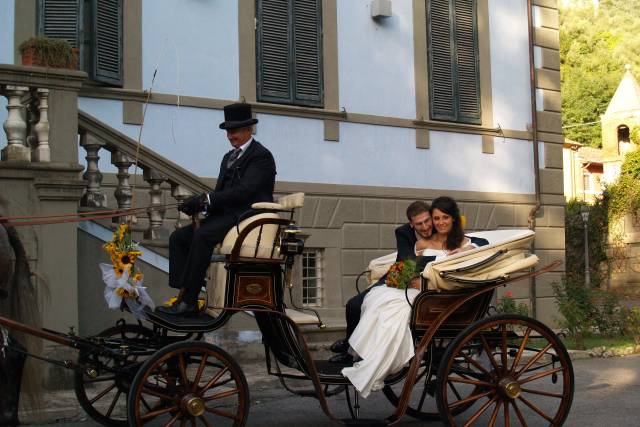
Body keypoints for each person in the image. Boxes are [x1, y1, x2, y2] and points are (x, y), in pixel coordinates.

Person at [341, 196, 488, 397]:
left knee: (393, 311)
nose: (431, 224)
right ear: (412, 224)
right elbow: (404, 267)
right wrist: (413, 279)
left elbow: (480, 242)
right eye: (428, 221)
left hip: (433, 292)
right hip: (403, 279)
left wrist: (465, 249)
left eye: (434, 219)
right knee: (361, 304)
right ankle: (353, 349)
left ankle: (375, 360)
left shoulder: (455, 237)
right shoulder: (414, 239)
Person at [158, 103, 276, 316]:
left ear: (249, 129)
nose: (231, 136)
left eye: (236, 131)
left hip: (245, 216)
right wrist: (198, 205)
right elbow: (221, 192)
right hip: (225, 215)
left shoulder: (261, 156)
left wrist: (205, 200)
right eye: (229, 132)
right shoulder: (228, 158)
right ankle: (185, 291)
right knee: (179, 238)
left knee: (203, 236)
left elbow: (243, 192)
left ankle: (190, 300)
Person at [329, 201, 433, 363]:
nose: (425, 227)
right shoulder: (403, 232)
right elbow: (405, 261)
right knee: (353, 305)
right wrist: (420, 261)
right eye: (419, 224)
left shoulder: (439, 231)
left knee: (379, 308)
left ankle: (363, 351)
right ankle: (350, 345)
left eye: (427, 221)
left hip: (422, 280)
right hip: (399, 276)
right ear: (411, 224)